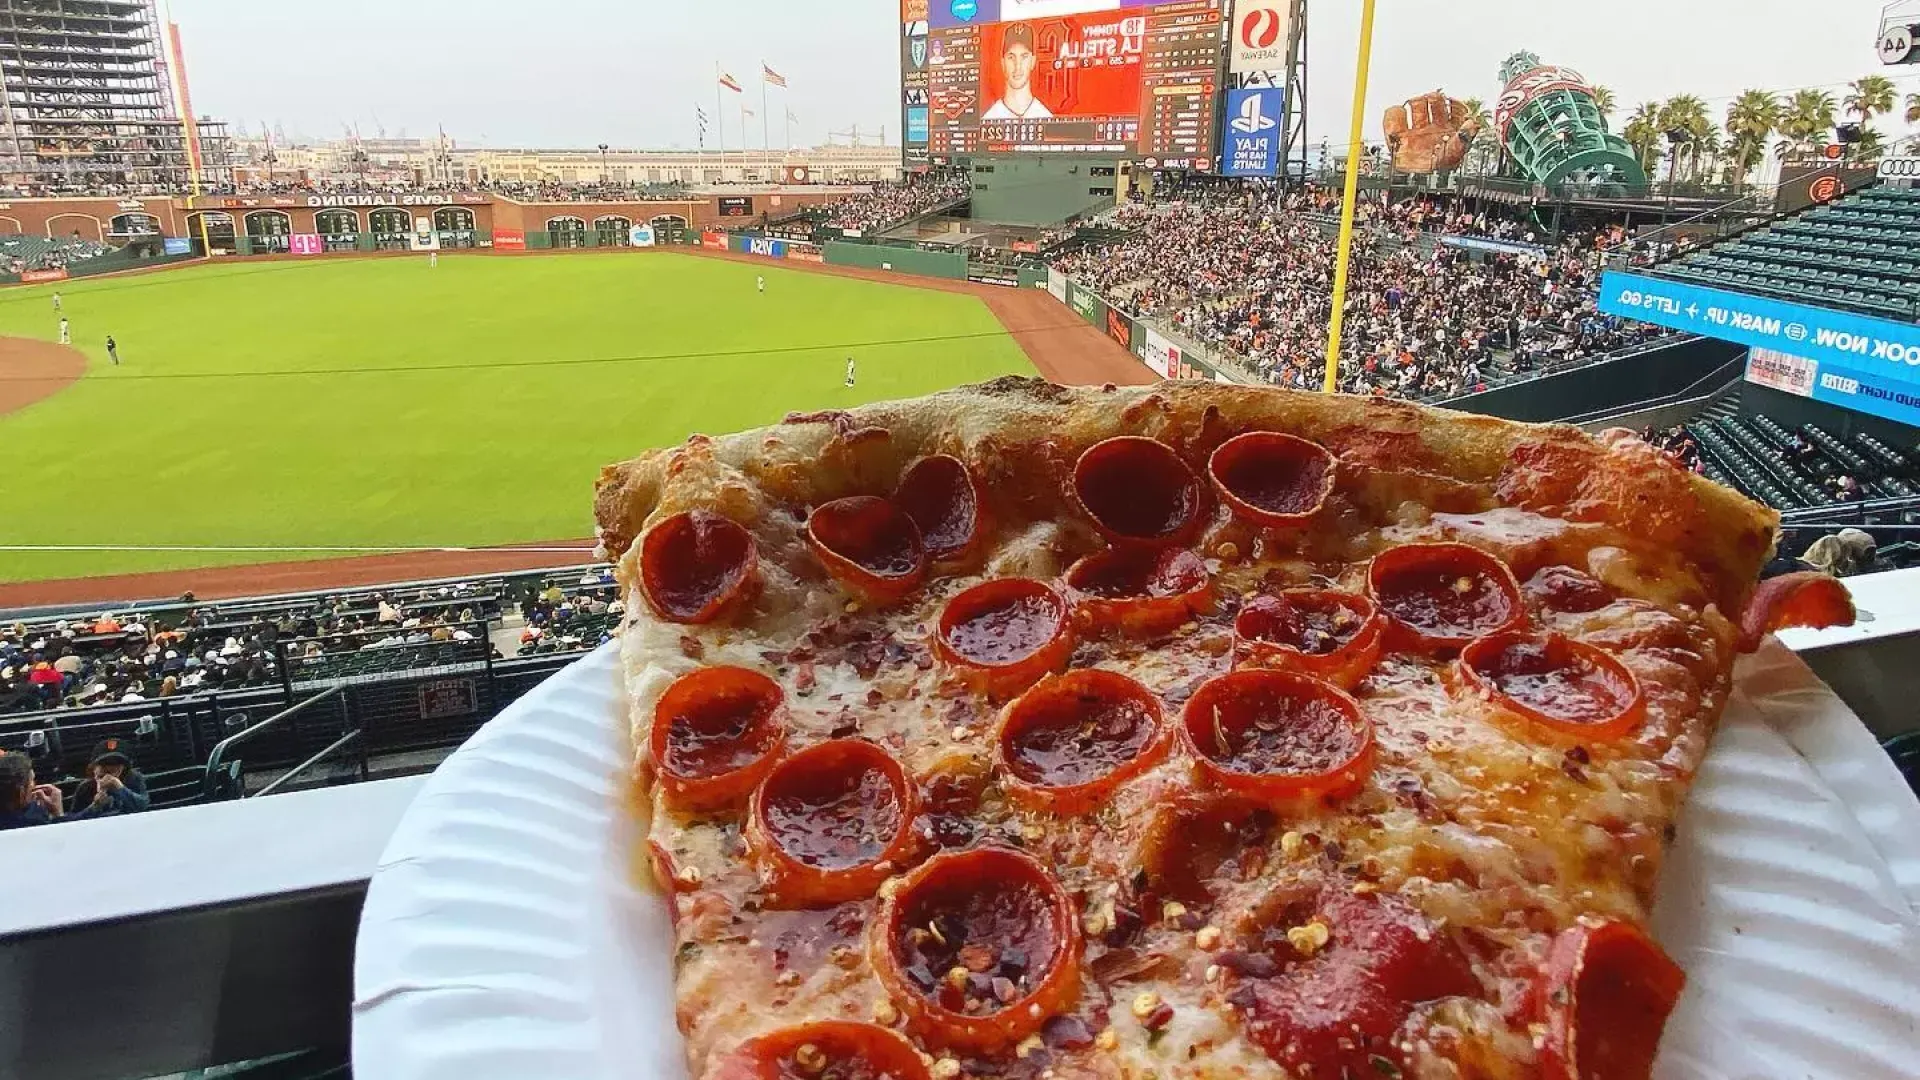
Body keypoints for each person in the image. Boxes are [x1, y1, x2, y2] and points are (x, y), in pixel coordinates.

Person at [983, 24, 1053, 121]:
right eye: (1011, 57)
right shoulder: (988, 120)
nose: (1018, 66)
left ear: (1033, 61)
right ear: (1003, 63)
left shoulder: (1046, 118)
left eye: (1024, 56)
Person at [70, 739, 150, 817]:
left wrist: (120, 788)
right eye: (104, 764)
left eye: (116, 763)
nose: (110, 768)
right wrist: (95, 807)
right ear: (94, 767)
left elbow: (143, 806)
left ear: (124, 767)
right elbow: (73, 819)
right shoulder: (85, 787)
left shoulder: (134, 778)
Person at [0, 751, 63, 830]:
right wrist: (58, 814)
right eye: (32, 780)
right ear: (21, 792)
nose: (35, 784)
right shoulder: (35, 821)